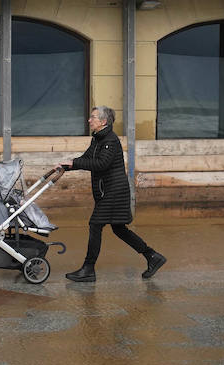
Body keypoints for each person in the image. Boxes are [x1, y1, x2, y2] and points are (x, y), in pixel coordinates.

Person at [51, 105, 166, 282]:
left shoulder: (110, 141)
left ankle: (88, 269)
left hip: (114, 192)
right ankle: (152, 256)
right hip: (108, 191)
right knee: (119, 229)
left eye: (93, 117)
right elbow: (87, 160)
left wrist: (73, 162)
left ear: (103, 121)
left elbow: (100, 164)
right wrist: (66, 165)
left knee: (95, 224)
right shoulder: (97, 139)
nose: (90, 120)